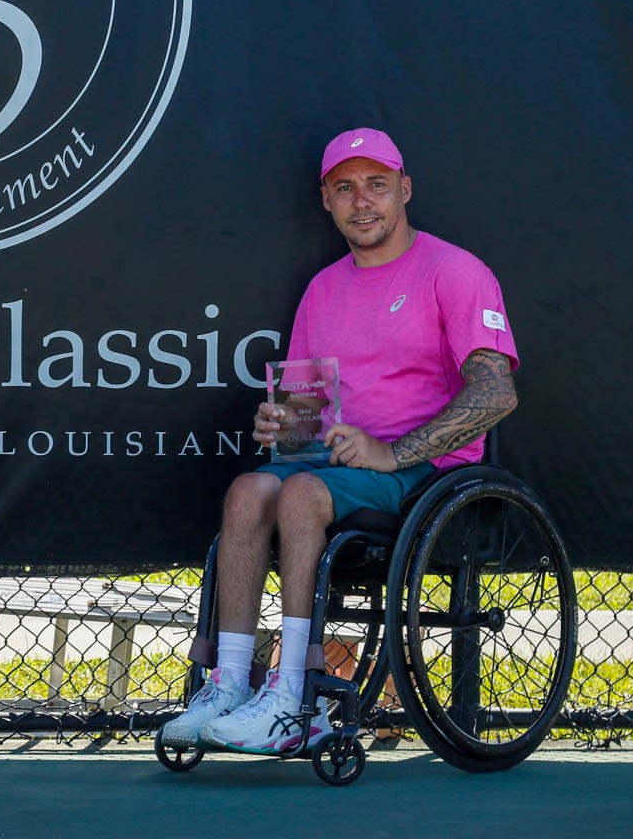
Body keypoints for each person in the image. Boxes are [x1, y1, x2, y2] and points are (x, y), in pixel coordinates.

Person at [161, 127, 520, 755]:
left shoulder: (455, 271)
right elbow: (305, 408)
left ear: (404, 190)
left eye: (377, 185)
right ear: (325, 200)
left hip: (426, 475)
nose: (362, 201)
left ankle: (295, 695)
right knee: (248, 491)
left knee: (299, 494)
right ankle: (229, 687)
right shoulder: (323, 288)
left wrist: (396, 451)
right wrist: (280, 423)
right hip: (331, 465)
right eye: (344, 188)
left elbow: (496, 395)